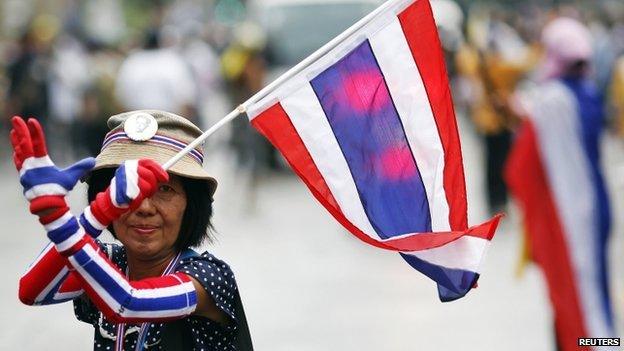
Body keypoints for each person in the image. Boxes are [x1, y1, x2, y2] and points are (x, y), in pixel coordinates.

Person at [12, 110, 252, 350]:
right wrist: (96, 215)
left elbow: (128, 303)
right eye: (129, 190)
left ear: (191, 205)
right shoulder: (108, 260)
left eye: (165, 190)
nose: (144, 207)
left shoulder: (209, 277)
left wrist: (57, 218)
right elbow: (33, 292)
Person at [505, 17, 613, 350]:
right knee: (593, 294)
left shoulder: (551, 101)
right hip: (596, 209)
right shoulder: (589, 95)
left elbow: (519, 171)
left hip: (563, 218)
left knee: (574, 303)